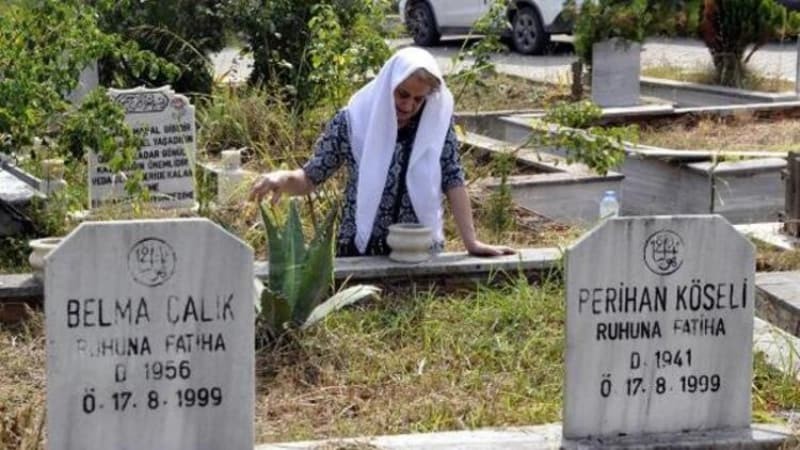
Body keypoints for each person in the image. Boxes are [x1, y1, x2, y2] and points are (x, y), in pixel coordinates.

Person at [249, 46, 515, 258]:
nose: (408, 106)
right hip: (360, 251)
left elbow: (453, 179)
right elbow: (310, 177)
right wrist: (281, 179)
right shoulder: (353, 121)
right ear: (388, 85)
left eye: (418, 99)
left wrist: (471, 242)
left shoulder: (435, 126)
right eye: (402, 94)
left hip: (417, 250)